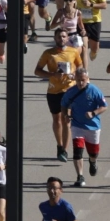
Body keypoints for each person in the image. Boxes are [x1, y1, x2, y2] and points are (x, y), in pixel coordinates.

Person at [34, 27, 84, 160]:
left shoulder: (73, 52)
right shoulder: (48, 53)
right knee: (57, 120)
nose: (61, 39)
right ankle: (59, 145)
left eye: (63, 36)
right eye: (58, 36)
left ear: (67, 38)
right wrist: (52, 74)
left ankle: (64, 150)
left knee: (66, 119)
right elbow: (37, 71)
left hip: (69, 90)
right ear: (54, 38)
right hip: (53, 91)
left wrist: (74, 75)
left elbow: (80, 67)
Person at [60, 66, 108, 185]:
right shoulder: (70, 92)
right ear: (75, 79)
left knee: (93, 153)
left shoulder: (95, 90)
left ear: (87, 79)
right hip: (77, 125)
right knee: (77, 151)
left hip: (93, 126)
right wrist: (66, 115)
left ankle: (93, 162)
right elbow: (64, 105)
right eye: (78, 80)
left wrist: (93, 113)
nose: (81, 83)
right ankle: (80, 176)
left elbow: (104, 106)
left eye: (83, 80)